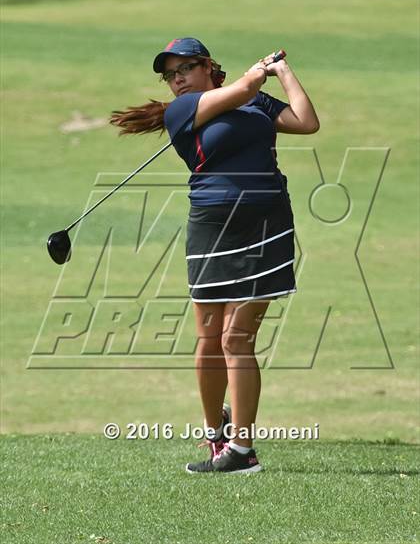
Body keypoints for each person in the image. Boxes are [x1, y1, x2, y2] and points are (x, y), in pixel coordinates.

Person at [110, 37, 320, 474]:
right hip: (212, 227)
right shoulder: (182, 110)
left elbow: (306, 122)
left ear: (208, 67)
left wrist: (282, 72)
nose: (178, 79)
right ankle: (215, 435)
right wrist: (255, 75)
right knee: (209, 340)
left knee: (235, 339)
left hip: (266, 224)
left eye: (185, 68)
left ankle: (242, 451)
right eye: (170, 74)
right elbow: (242, 90)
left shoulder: (255, 99)